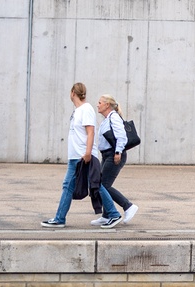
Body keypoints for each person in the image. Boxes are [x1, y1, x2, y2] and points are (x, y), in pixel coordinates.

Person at [41, 83, 122, 229]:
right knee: (69, 186)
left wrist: (87, 153)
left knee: (93, 185)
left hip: (83, 156)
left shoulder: (86, 109)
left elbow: (90, 132)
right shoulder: (77, 110)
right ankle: (60, 218)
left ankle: (113, 213)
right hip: (75, 157)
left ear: (73, 93)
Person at [90, 94, 139, 226]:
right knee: (102, 184)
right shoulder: (107, 119)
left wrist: (118, 152)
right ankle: (106, 215)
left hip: (114, 155)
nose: (97, 105)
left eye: (100, 102)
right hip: (107, 155)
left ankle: (128, 206)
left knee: (102, 185)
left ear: (107, 105)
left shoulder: (114, 117)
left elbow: (121, 136)